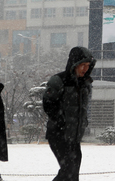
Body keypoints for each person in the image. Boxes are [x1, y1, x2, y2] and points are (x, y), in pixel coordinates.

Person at [43, 46, 96, 181]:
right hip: (59, 134)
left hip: (74, 136)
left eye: (88, 65)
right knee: (69, 170)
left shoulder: (85, 83)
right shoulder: (59, 80)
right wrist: (60, 121)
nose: (85, 68)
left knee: (73, 172)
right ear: (74, 64)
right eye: (82, 65)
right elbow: (48, 104)